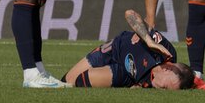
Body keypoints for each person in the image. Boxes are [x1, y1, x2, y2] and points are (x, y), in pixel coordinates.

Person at [62, 9, 194, 89]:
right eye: (165, 87)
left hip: (124, 74)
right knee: (66, 80)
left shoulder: (149, 84)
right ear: (168, 68)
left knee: (79, 81)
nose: (161, 90)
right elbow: (130, 14)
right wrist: (148, 40)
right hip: (114, 48)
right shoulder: (165, 51)